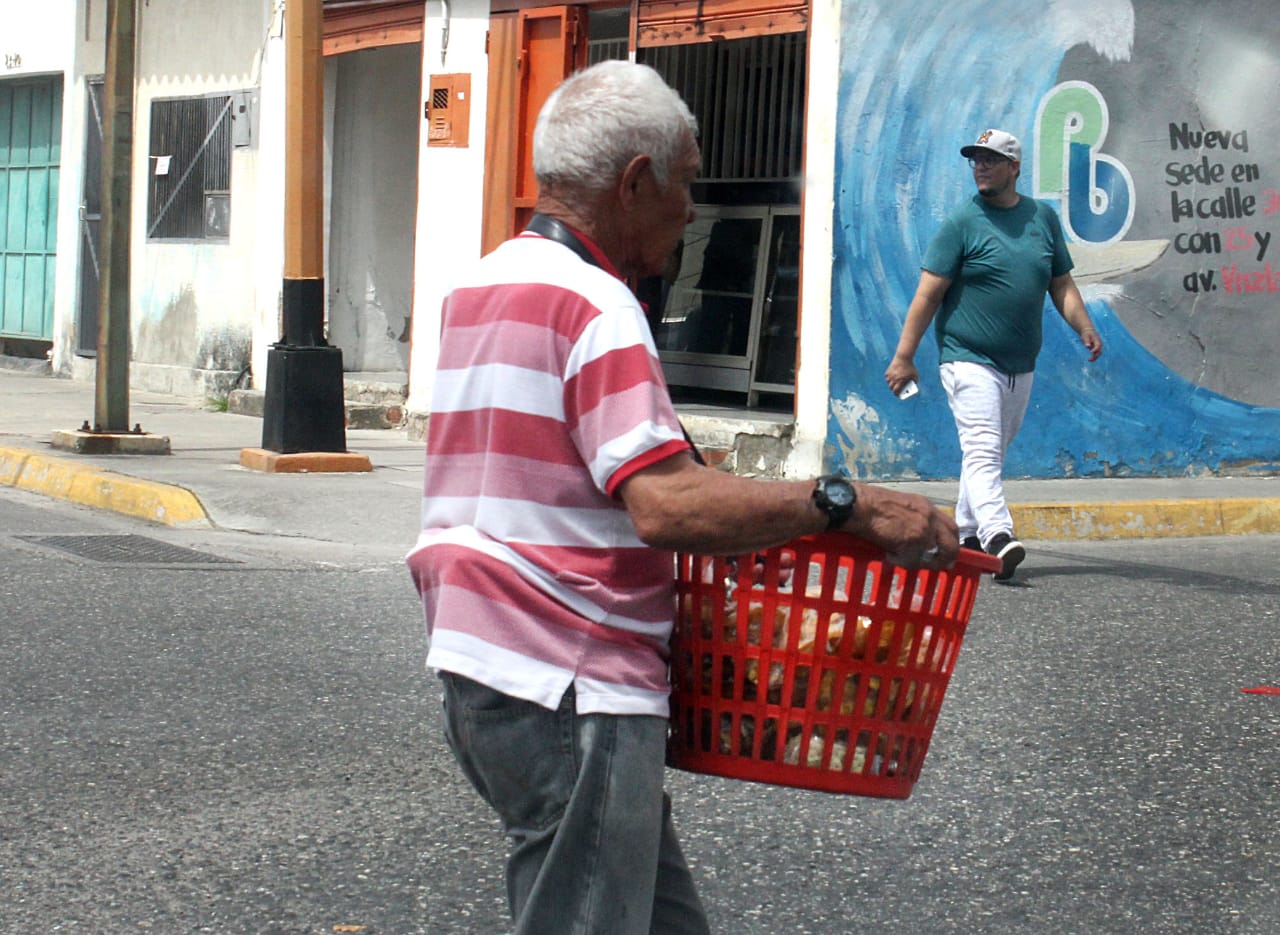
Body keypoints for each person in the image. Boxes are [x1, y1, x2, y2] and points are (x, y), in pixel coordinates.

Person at [407, 60, 958, 935]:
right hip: (571, 675)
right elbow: (666, 504)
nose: (692, 209)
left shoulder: (479, 284)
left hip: (481, 669)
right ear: (635, 183)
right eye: (687, 182)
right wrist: (843, 502)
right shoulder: (598, 304)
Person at [884, 128, 1103, 582]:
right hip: (967, 358)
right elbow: (927, 295)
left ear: (1014, 167)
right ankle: (999, 537)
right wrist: (904, 356)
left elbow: (1059, 282)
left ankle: (964, 535)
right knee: (983, 450)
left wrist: (1083, 325)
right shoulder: (963, 223)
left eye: (991, 159)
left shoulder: (1042, 218)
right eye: (976, 160)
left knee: (987, 455)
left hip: (1020, 365)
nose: (980, 167)